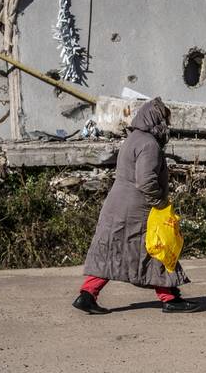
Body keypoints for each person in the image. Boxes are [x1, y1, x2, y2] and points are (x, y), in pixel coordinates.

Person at [72, 98, 199, 314]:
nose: (167, 124)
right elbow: (146, 180)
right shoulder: (149, 144)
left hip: (119, 205)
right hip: (137, 209)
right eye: (164, 119)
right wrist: (160, 202)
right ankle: (170, 298)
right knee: (157, 248)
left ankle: (87, 294)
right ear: (155, 119)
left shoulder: (133, 139)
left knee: (114, 251)